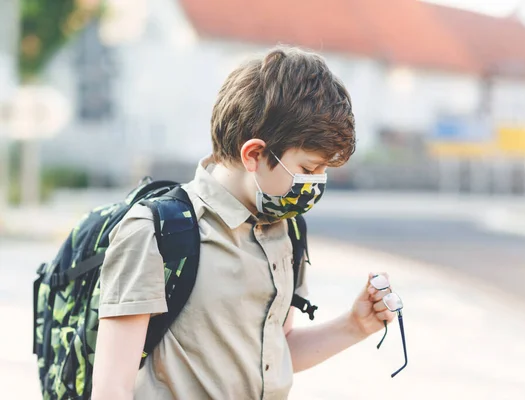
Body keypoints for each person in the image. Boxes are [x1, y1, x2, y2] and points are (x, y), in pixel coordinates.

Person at [91, 46, 397, 400]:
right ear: (253, 154)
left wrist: (354, 326)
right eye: (309, 169)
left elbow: (273, 354)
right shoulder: (155, 233)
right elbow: (112, 388)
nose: (316, 184)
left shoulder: (287, 229)